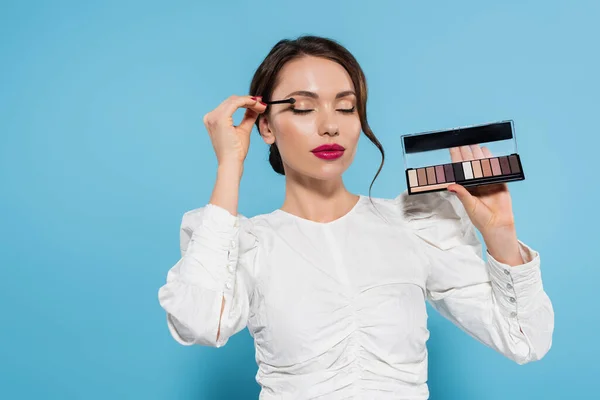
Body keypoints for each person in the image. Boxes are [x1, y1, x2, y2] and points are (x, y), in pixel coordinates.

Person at [158, 35, 554, 399]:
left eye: (346, 107)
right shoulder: (249, 244)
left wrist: (501, 238)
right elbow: (197, 321)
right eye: (303, 107)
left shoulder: (413, 224)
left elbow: (526, 340)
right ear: (266, 125)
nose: (330, 125)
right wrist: (230, 165)